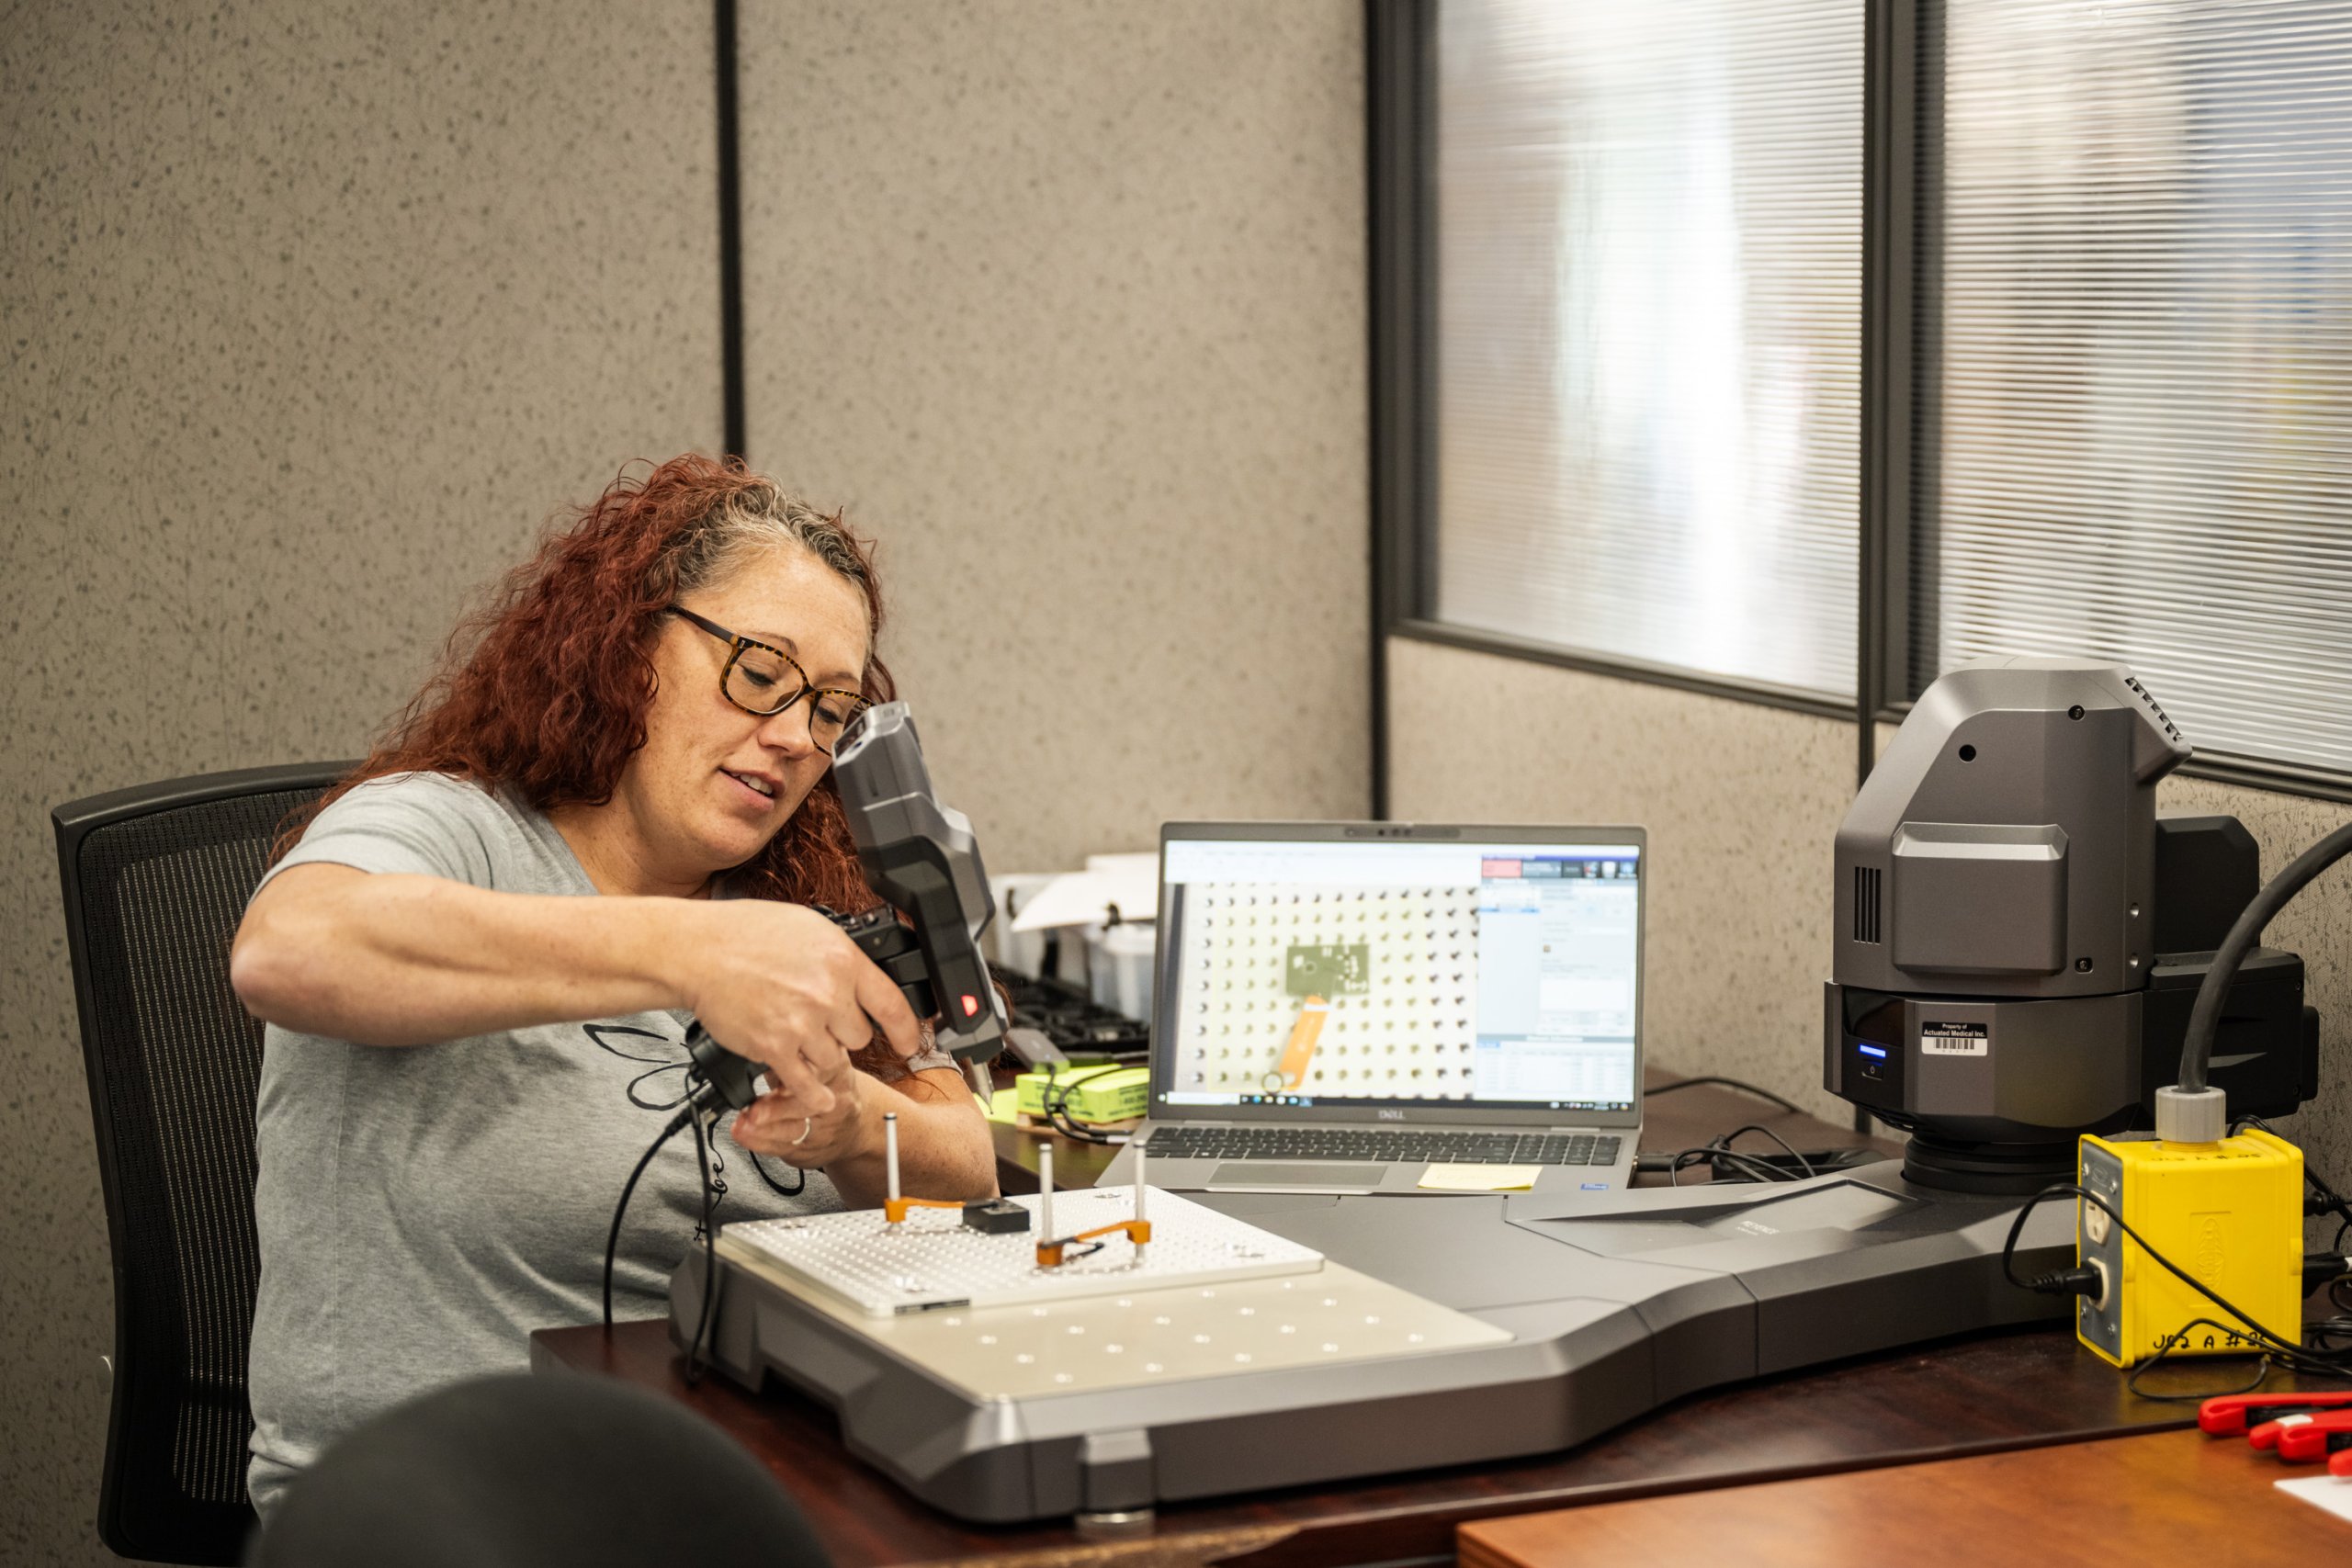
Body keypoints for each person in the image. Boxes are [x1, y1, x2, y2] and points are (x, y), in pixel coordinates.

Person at [229, 454, 997, 1520]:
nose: (790, 737)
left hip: (711, 1495)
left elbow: (965, 1159)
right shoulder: (447, 830)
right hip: (440, 1511)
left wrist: (853, 1126)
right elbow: (288, 952)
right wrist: (687, 954)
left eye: (827, 709)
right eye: (760, 674)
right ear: (627, 641)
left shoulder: (795, 894)